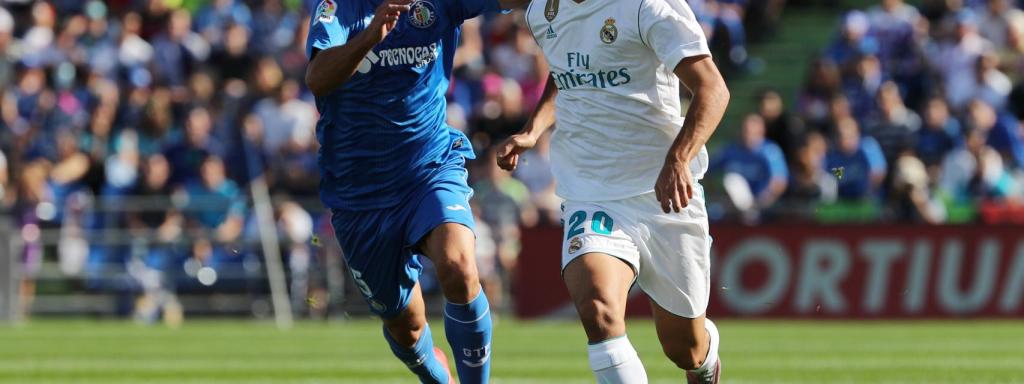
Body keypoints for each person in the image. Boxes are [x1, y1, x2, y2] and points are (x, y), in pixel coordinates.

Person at [497, 0, 730, 381]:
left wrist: (679, 159)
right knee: (598, 309)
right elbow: (567, 68)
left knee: (684, 349)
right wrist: (534, 128)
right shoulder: (543, 11)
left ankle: (705, 359)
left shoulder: (648, 8)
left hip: (664, 194)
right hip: (591, 191)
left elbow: (713, 89)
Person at [302, 0, 527, 382]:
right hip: (360, 192)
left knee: (458, 265)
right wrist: (372, 34)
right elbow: (317, 78)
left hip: (429, 167)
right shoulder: (338, 8)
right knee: (405, 324)